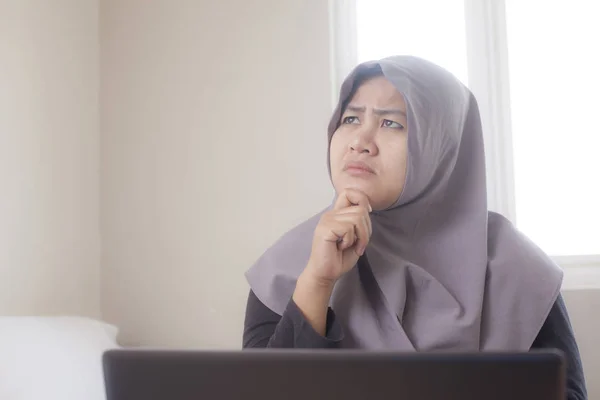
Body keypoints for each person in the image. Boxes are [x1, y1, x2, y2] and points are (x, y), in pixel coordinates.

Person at [243, 56, 587, 399]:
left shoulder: (514, 267)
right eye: (350, 118)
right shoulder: (292, 263)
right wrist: (317, 282)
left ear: (442, 146)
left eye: (391, 123)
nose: (360, 141)